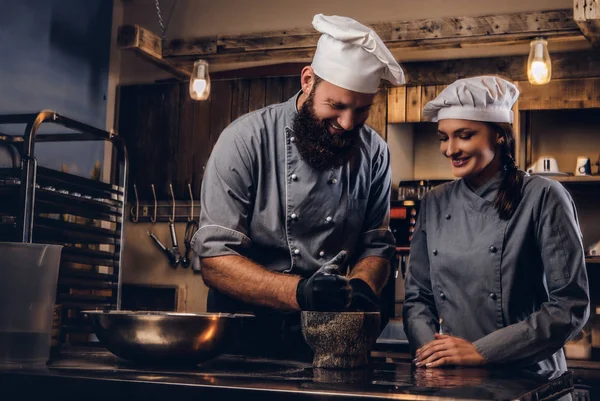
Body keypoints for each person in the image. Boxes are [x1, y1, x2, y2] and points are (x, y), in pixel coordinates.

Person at [191, 14, 405, 358]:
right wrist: (301, 292)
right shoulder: (245, 139)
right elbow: (215, 260)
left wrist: (363, 285)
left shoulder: (375, 152)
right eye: (336, 106)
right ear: (308, 80)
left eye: (361, 111)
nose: (348, 123)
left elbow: (376, 245)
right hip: (244, 339)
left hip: (327, 338)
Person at [403, 76, 590, 371]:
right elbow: (418, 298)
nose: (450, 150)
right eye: (443, 137)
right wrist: (433, 353)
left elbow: (569, 305)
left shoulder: (542, 196)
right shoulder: (434, 202)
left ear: (499, 135)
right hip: (456, 379)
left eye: (464, 135)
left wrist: (482, 351)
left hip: (529, 378)